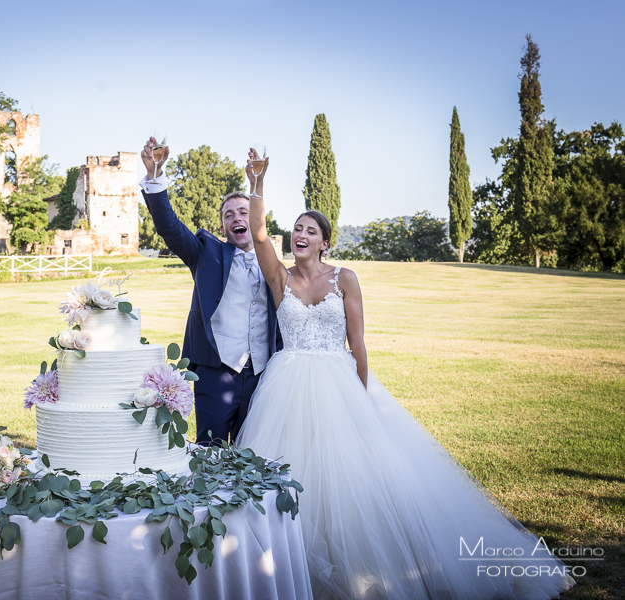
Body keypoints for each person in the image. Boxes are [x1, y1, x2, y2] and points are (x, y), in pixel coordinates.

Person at [236, 151, 575, 599]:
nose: (300, 234)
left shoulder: (345, 279)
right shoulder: (280, 278)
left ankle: (366, 565)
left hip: (339, 386)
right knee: (293, 472)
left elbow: (357, 345)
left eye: (310, 230)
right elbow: (259, 235)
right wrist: (257, 183)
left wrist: (360, 400)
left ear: (324, 242)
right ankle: (294, 565)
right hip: (289, 389)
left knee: (353, 477)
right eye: (297, 228)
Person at [139, 137, 279, 446]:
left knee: (254, 455)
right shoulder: (207, 252)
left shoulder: (275, 265)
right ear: (223, 227)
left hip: (262, 375)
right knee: (209, 455)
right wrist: (154, 176)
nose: (236, 218)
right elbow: (170, 228)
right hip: (216, 373)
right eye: (228, 215)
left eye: (243, 212)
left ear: (254, 217)